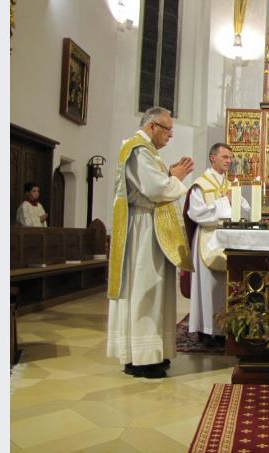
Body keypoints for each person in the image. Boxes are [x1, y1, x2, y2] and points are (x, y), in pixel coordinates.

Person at [106, 107, 195, 379]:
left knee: (154, 290)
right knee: (145, 290)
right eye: (168, 130)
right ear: (153, 127)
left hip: (150, 226)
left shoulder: (146, 152)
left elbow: (153, 183)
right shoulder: (138, 150)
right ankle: (141, 359)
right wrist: (176, 178)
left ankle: (152, 353)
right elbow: (156, 190)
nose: (170, 135)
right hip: (143, 230)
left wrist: (169, 173)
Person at [184, 143, 251, 345]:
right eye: (224, 156)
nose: (228, 161)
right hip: (208, 238)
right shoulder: (200, 185)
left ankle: (222, 330)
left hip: (227, 239)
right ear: (212, 158)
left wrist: (236, 201)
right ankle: (206, 330)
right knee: (208, 285)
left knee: (225, 286)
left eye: (230, 157)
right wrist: (225, 202)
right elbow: (197, 214)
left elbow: (245, 209)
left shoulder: (230, 184)